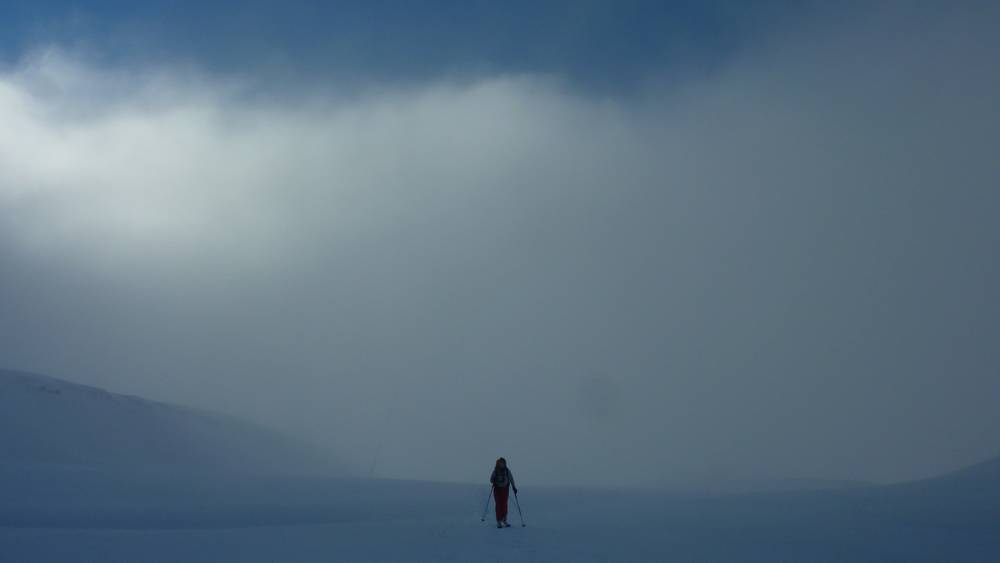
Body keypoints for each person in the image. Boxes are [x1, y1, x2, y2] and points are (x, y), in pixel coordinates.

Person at [489, 457, 518, 528]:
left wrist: (514, 487)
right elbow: (491, 480)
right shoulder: (495, 471)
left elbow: (511, 478)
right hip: (497, 490)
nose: (502, 464)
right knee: (498, 504)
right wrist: (494, 479)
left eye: (503, 463)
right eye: (500, 463)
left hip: (505, 489)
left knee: (504, 504)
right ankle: (499, 521)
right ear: (498, 463)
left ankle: (504, 520)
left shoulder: (507, 471)